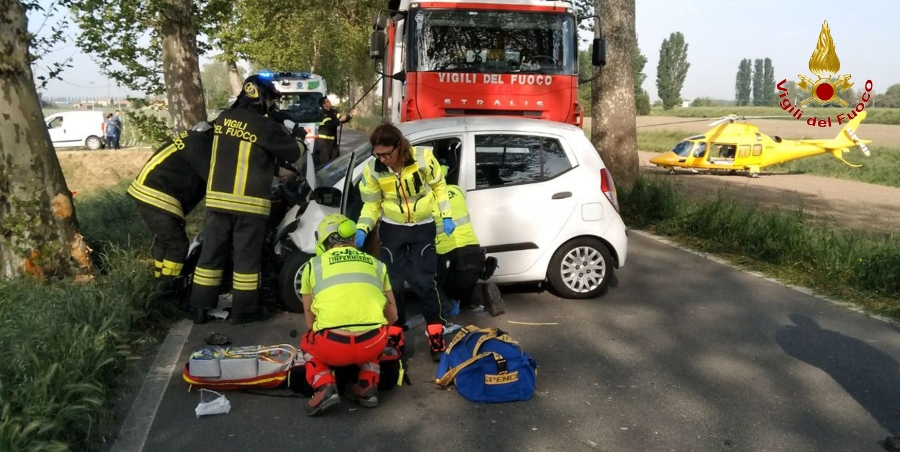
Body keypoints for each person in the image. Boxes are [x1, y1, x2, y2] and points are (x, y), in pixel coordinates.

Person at [189, 74, 305, 325]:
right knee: (246, 259)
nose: (271, 105)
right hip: (248, 204)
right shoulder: (264, 126)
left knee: (211, 254)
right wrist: (298, 135)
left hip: (218, 201)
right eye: (270, 100)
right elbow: (294, 152)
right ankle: (244, 311)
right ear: (259, 97)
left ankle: (199, 307)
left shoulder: (223, 118)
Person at [354, 124, 454, 362]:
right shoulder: (373, 170)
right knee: (394, 285)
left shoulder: (423, 159)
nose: (383, 159)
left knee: (424, 282)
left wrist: (446, 215)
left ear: (399, 146)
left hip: (422, 227)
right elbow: (371, 204)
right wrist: (362, 228)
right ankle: (396, 337)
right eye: (377, 154)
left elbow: (440, 187)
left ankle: (436, 336)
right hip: (392, 229)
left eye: (387, 154)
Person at [299, 213, 398, 416]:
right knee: (380, 333)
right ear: (352, 238)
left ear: (325, 240)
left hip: (332, 347)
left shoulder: (312, 266)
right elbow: (393, 316)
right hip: (372, 344)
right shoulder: (377, 265)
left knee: (307, 343)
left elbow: (311, 323)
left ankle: (325, 385)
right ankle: (367, 385)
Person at [127, 123, 214, 294]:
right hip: (157, 196)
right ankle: (169, 287)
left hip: (147, 193)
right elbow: (212, 178)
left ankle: (159, 280)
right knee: (178, 245)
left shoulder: (191, 139)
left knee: (164, 240)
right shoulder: (199, 145)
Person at [432, 165, 485, 315]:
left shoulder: (428, 198)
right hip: (473, 247)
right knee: (463, 280)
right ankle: (476, 297)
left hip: (446, 251)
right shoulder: (457, 190)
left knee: (428, 277)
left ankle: (448, 304)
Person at [313, 97, 356, 168]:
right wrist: (339, 120)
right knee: (326, 161)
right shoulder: (323, 114)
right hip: (325, 142)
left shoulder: (333, 112)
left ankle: (336, 176)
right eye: (327, 101)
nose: (329, 102)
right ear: (324, 105)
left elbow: (342, 119)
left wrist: (350, 115)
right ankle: (324, 176)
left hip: (333, 141)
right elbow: (329, 125)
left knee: (336, 160)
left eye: (329, 100)